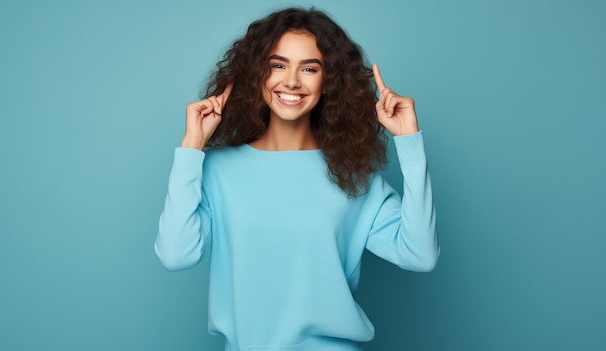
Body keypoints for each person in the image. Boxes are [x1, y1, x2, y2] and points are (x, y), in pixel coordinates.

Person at [155, 7, 439, 351]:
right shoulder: (216, 171)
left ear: (328, 81)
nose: (291, 81)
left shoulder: (351, 176)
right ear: (257, 73)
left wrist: (409, 142)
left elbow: (420, 255)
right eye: (278, 65)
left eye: (309, 68)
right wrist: (191, 148)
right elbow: (175, 255)